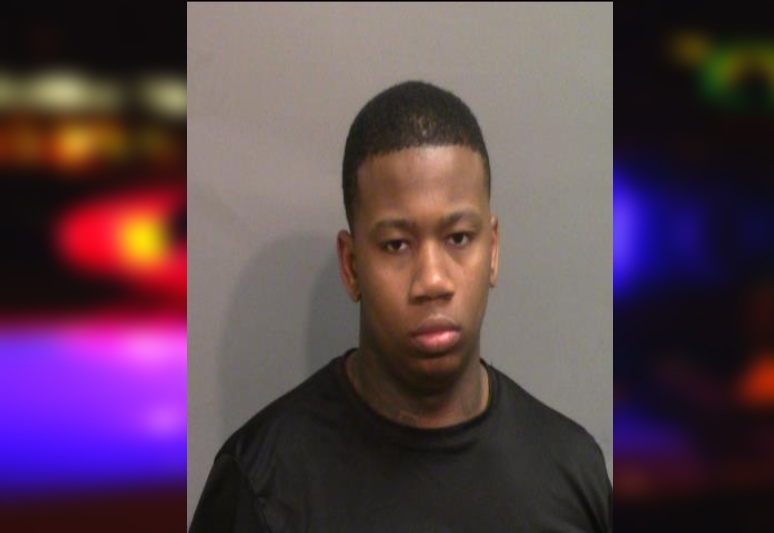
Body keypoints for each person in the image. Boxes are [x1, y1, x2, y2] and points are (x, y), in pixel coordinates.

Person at [190, 80, 612, 532]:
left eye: (458, 238)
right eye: (396, 245)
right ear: (352, 265)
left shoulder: (572, 471)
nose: (432, 281)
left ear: (492, 250)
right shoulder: (262, 483)